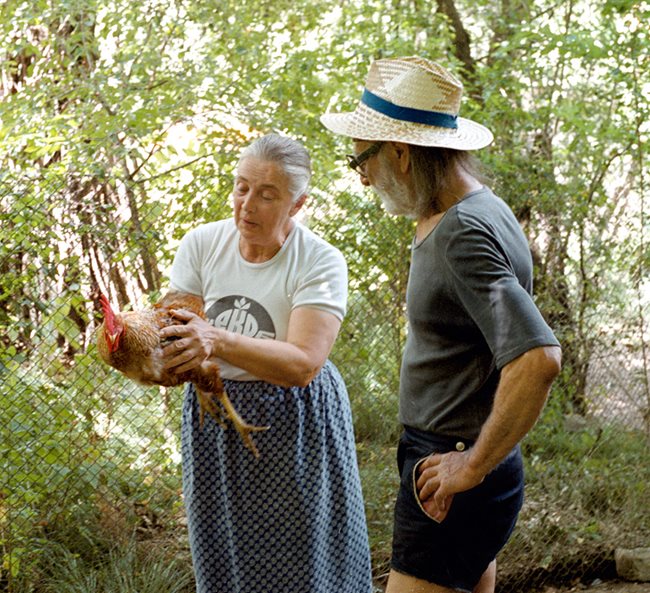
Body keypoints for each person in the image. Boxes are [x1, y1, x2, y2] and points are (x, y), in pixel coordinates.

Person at [321, 57, 562, 593]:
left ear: (401, 153)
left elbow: (538, 358)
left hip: (451, 468)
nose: (360, 174)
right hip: (460, 464)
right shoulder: (473, 205)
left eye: (361, 157)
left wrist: (471, 466)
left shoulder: (461, 233)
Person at [158, 134, 373, 593]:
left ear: (297, 204)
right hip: (216, 417)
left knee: (305, 556)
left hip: (296, 420)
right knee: (227, 549)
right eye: (240, 187)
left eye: (266, 194)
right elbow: (175, 335)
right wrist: (143, 347)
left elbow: (302, 364)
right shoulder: (201, 245)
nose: (246, 204)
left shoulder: (320, 261)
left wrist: (214, 338)